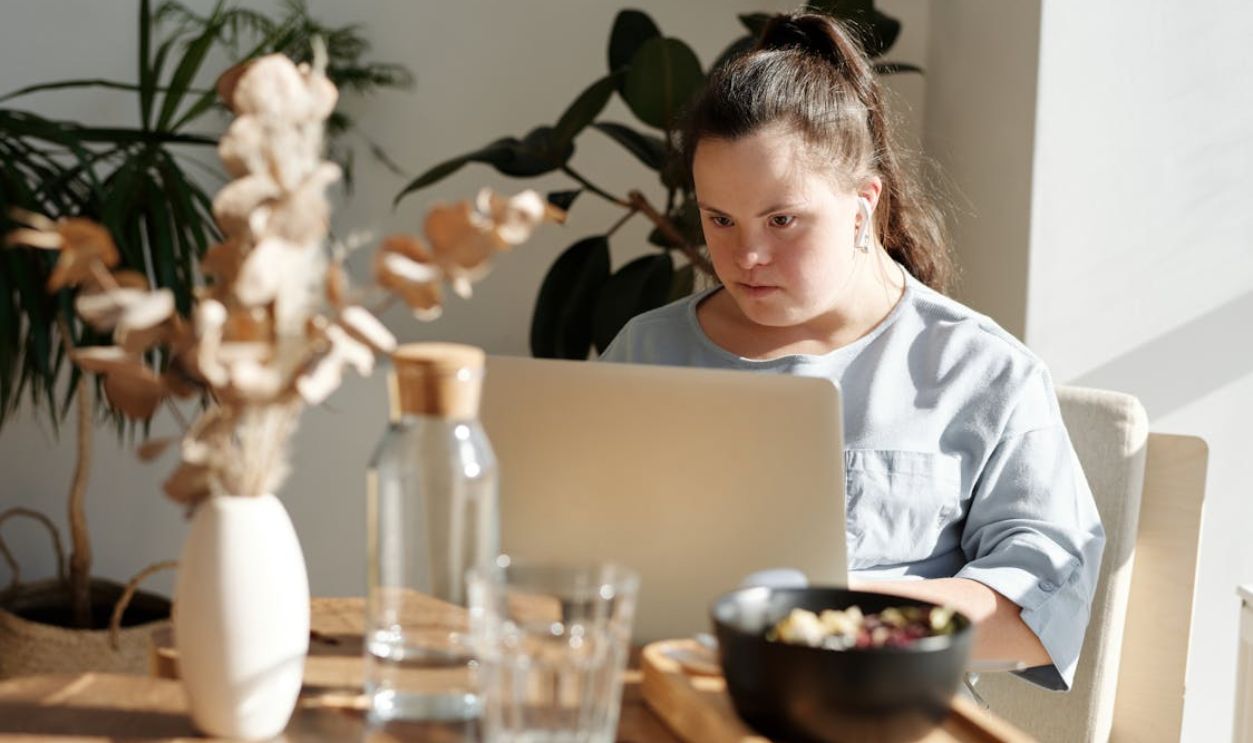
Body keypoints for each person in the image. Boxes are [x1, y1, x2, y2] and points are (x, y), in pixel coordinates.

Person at [599, 12, 1104, 691]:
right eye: (718, 219)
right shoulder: (645, 350)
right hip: (665, 710)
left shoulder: (980, 372)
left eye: (782, 220)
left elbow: (1034, 615)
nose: (745, 256)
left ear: (862, 203)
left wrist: (819, 611)